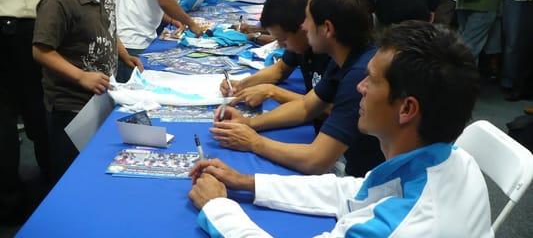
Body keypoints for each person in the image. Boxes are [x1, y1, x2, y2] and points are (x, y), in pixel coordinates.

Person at [188, 21, 492, 238]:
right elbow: (354, 191)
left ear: (407, 109)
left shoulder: (398, 227)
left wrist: (218, 208)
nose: (360, 87)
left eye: (371, 80)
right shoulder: (454, 160)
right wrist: (247, 181)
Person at [210, 0, 383, 177]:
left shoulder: (359, 75)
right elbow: (306, 107)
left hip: (366, 180)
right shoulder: (344, 59)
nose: (303, 26)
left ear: (327, 28)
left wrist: (253, 142)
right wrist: (248, 124)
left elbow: (315, 160)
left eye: (308, 19)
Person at [32, 0, 143, 181]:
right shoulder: (59, 1)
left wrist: (124, 55)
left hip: (101, 96)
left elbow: (109, 30)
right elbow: (41, 50)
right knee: (69, 171)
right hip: (70, 104)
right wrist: (81, 76)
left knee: (95, 164)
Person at [0, 0, 51, 223]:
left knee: (2, 115)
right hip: (18, 25)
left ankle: (7, 194)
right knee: (34, 107)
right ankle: (48, 182)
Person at [220, 0, 330, 107]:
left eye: (283, 39)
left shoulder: (331, 54)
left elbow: (329, 108)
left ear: (303, 27)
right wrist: (241, 85)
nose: (281, 45)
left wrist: (272, 92)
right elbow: (280, 69)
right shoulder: (300, 44)